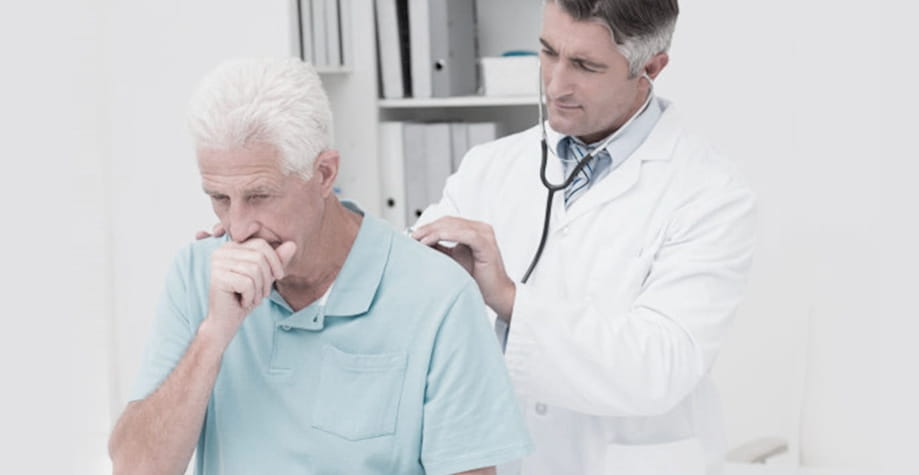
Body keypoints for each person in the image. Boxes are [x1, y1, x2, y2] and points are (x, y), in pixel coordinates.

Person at [108, 58, 531, 475]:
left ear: (325, 174)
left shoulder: (437, 295)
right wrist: (213, 336)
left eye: (259, 196)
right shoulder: (197, 273)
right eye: (220, 198)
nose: (237, 228)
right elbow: (135, 470)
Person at [410, 1, 756, 474]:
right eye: (548, 52)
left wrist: (510, 299)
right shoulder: (488, 167)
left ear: (651, 68)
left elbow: (661, 367)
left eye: (585, 66)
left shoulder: (710, 193)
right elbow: (413, 291)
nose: (555, 85)